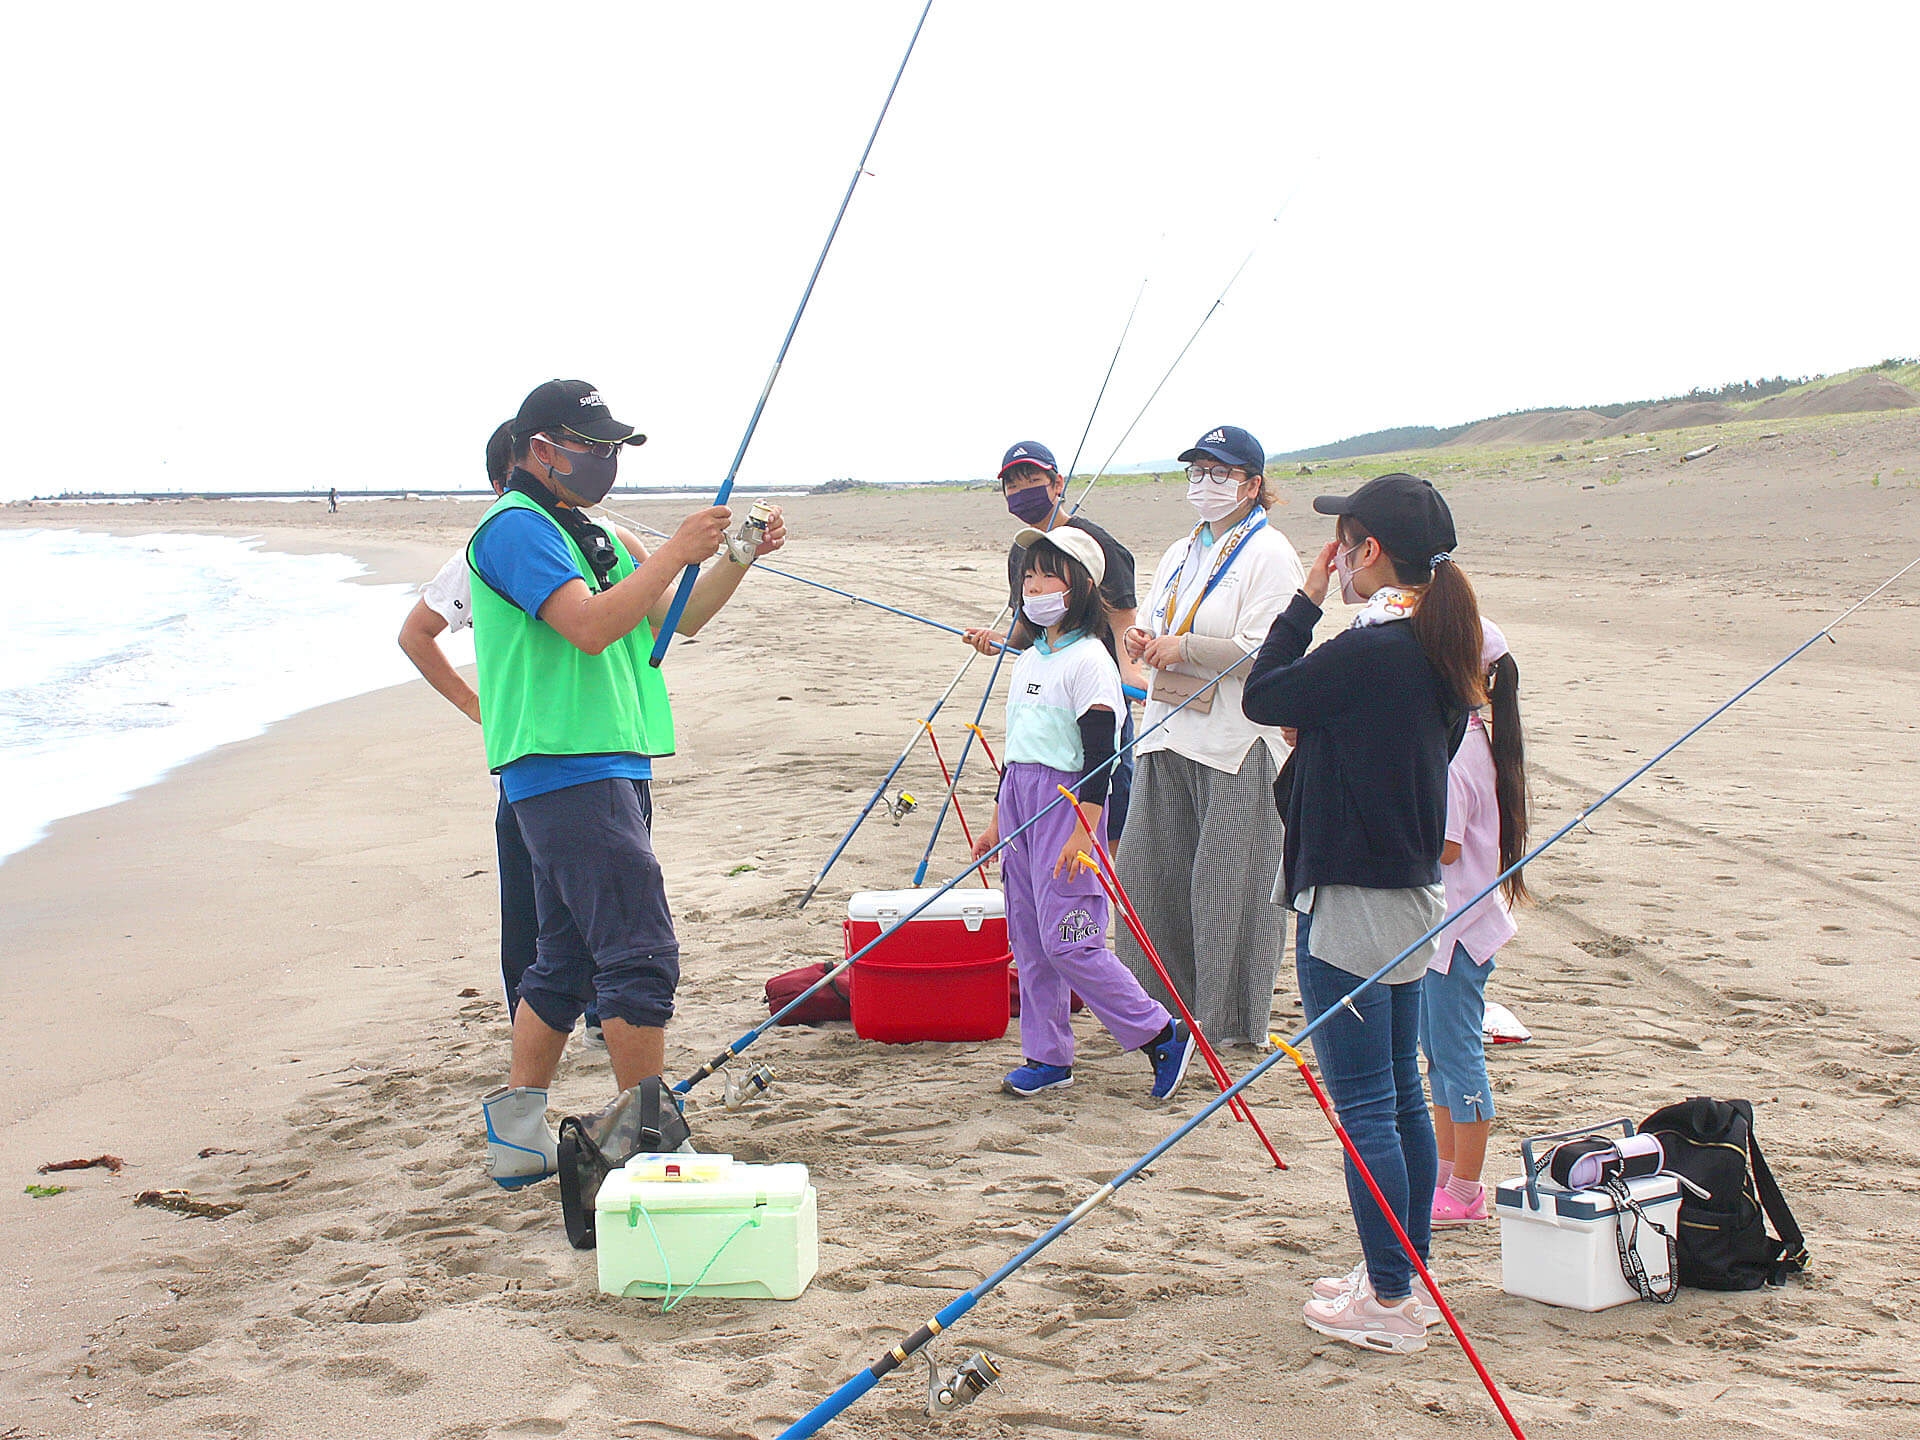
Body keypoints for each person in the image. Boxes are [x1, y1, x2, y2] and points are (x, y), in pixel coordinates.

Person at [474, 379, 785, 1189]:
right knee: (638, 949)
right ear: (539, 449)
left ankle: (516, 1136)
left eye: (613, 446)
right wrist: (678, 551)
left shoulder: (597, 530)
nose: (604, 459)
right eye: (590, 444)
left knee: (568, 956)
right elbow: (587, 626)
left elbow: (679, 616)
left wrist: (736, 554)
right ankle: (651, 1143)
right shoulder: (513, 528)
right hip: (561, 764)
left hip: (611, 758)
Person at [1241, 472, 1482, 1355]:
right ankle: (1400, 1275)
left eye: (1341, 546)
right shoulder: (1440, 642)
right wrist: (1331, 732)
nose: (1333, 561)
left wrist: (1303, 603)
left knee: (1370, 1110)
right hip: (1414, 894)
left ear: (1368, 550)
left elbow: (1264, 694)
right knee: (1402, 1104)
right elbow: (1419, 742)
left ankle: (1387, 1301)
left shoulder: (1370, 645)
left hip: (1351, 900)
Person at [969, 526, 1196, 1100]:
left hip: (1068, 801)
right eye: (1028, 574)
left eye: (1048, 573)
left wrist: (1085, 828)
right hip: (1020, 797)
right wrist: (999, 817)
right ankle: (1047, 1056)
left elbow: (1102, 747)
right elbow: (1019, 743)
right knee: (1027, 935)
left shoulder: (1092, 657)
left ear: (1082, 586)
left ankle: (1159, 1032)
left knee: (1071, 936)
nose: (1034, 584)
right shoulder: (1029, 658)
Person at [1115, 425, 1304, 1048]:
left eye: (1221, 474)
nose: (1206, 484)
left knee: (1231, 887)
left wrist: (1184, 647)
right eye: (1197, 471)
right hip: (1168, 731)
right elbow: (1153, 623)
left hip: (1235, 742)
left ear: (1252, 484)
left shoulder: (1269, 552)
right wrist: (1145, 642)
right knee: (1150, 876)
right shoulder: (1180, 551)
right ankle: (1156, 1020)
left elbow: (1266, 650)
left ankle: (1229, 1029)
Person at [961, 442, 1142, 841]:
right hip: (1047, 689)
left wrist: (1130, 671)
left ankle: (1105, 883)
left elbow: (1122, 615)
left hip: (1091, 688)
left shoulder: (1094, 543)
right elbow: (1026, 623)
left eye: (1033, 480)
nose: (1022, 490)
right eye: (1012, 484)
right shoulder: (1021, 550)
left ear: (1057, 483)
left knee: (1105, 787)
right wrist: (1000, 640)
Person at [1421, 617, 1529, 1225]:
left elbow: (1446, 846)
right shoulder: (1464, 738)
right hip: (1449, 927)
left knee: (1457, 1055)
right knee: (1435, 1051)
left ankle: (1466, 1189)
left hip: (1458, 931)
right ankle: (1443, 1171)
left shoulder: (1460, 750)